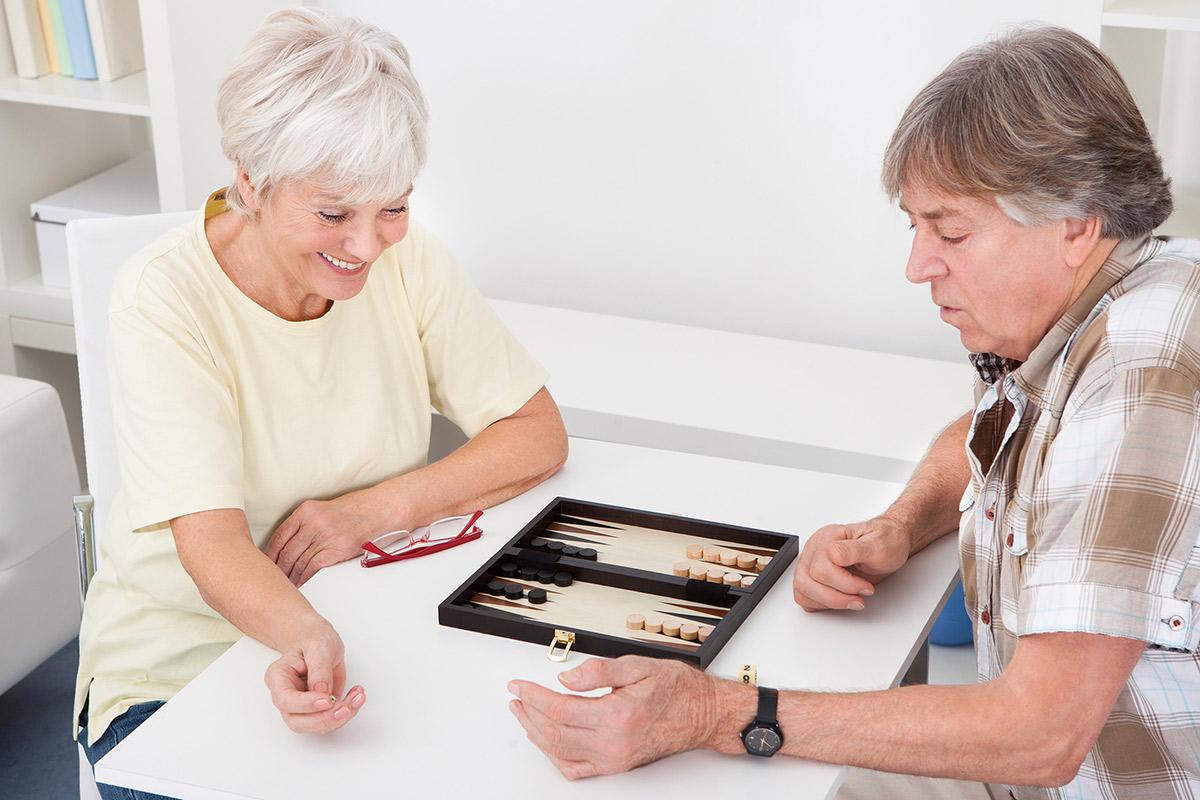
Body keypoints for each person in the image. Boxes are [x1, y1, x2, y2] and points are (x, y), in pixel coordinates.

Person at [508, 25, 1200, 799]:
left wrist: (721, 713)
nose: (918, 266)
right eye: (916, 226)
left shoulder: (1146, 363)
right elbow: (990, 433)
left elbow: (1041, 734)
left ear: (1075, 223)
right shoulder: (1083, 311)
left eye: (953, 231)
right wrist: (902, 524)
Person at [75, 8, 568, 797]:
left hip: (376, 626)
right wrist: (305, 634)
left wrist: (371, 512)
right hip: (182, 670)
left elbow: (536, 434)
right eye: (333, 213)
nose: (367, 246)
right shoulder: (164, 297)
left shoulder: (412, 266)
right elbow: (212, 548)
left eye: (393, 208)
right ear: (250, 183)